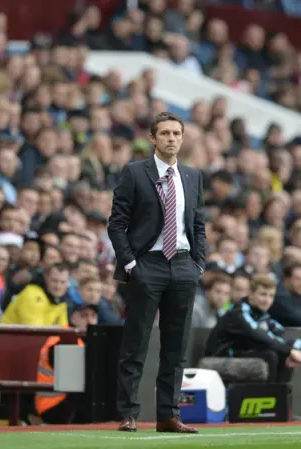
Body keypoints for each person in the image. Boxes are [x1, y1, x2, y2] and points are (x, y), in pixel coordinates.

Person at [108, 112, 206, 434]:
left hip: (182, 264)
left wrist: (198, 263)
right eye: (164, 133)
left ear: (182, 136)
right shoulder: (135, 172)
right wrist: (131, 263)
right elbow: (117, 223)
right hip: (146, 264)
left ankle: (168, 415)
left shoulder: (192, 176)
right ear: (152, 138)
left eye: (176, 133)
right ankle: (129, 414)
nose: (171, 139)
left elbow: (198, 225)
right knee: (135, 343)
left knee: (176, 347)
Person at [204, 274, 301, 383]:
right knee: (270, 355)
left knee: (284, 357)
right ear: (251, 294)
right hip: (220, 359)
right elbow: (258, 334)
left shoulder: (263, 316)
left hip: (240, 354)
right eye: (263, 294)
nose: (267, 300)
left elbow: (287, 336)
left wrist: (295, 349)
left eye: (271, 296)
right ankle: (265, 396)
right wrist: (288, 350)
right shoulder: (239, 312)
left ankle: (279, 396)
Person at [35, 303, 96, 424]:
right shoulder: (65, 339)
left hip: (60, 402)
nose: (89, 320)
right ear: (73, 318)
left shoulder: (79, 338)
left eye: (93, 316)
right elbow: (75, 380)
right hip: (53, 405)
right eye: (84, 315)